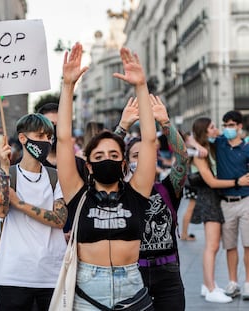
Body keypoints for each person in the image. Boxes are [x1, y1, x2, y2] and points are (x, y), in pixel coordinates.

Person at [57, 43, 156, 309]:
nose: (107, 160)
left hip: (132, 288)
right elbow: (64, 140)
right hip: (88, 291)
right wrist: (67, 86)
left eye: (114, 155)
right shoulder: (78, 196)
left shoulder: (137, 194)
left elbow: (148, 140)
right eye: (98, 157)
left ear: (124, 163)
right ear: (88, 165)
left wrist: (141, 87)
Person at [0, 113, 67, 311]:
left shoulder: (55, 177)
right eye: (40, 136)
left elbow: (60, 219)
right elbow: (0, 210)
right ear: (23, 138)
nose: (46, 141)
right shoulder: (5, 175)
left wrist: (21, 204)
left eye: (49, 137)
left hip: (50, 276)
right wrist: (5, 168)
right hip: (13, 275)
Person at [123, 94, 188, 310]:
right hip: (132, 274)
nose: (141, 161)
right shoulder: (119, 192)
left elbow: (182, 159)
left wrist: (166, 124)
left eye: (147, 155)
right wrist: (122, 126)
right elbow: (100, 162)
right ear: (125, 162)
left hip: (168, 273)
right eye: (135, 156)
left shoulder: (169, 188)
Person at [190, 116, 249, 303]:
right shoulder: (201, 153)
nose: (219, 129)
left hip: (227, 199)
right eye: (214, 127)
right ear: (205, 131)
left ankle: (209, 284)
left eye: (220, 126)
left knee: (224, 245)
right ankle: (211, 287)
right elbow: (211, 181)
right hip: (212, 199)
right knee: (214, 246)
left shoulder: (215, 146)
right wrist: (237, 182)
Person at [213, 111, 249, 299]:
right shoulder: (219, 144)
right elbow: (193, 139)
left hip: (246, 201)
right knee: (230, 246)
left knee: (248, 244)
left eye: (232, 125)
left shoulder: (247, 148)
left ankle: (248, 283)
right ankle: (233, 282)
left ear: (240, 126)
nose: (228, 128)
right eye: (225, 125)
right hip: (226, 202)